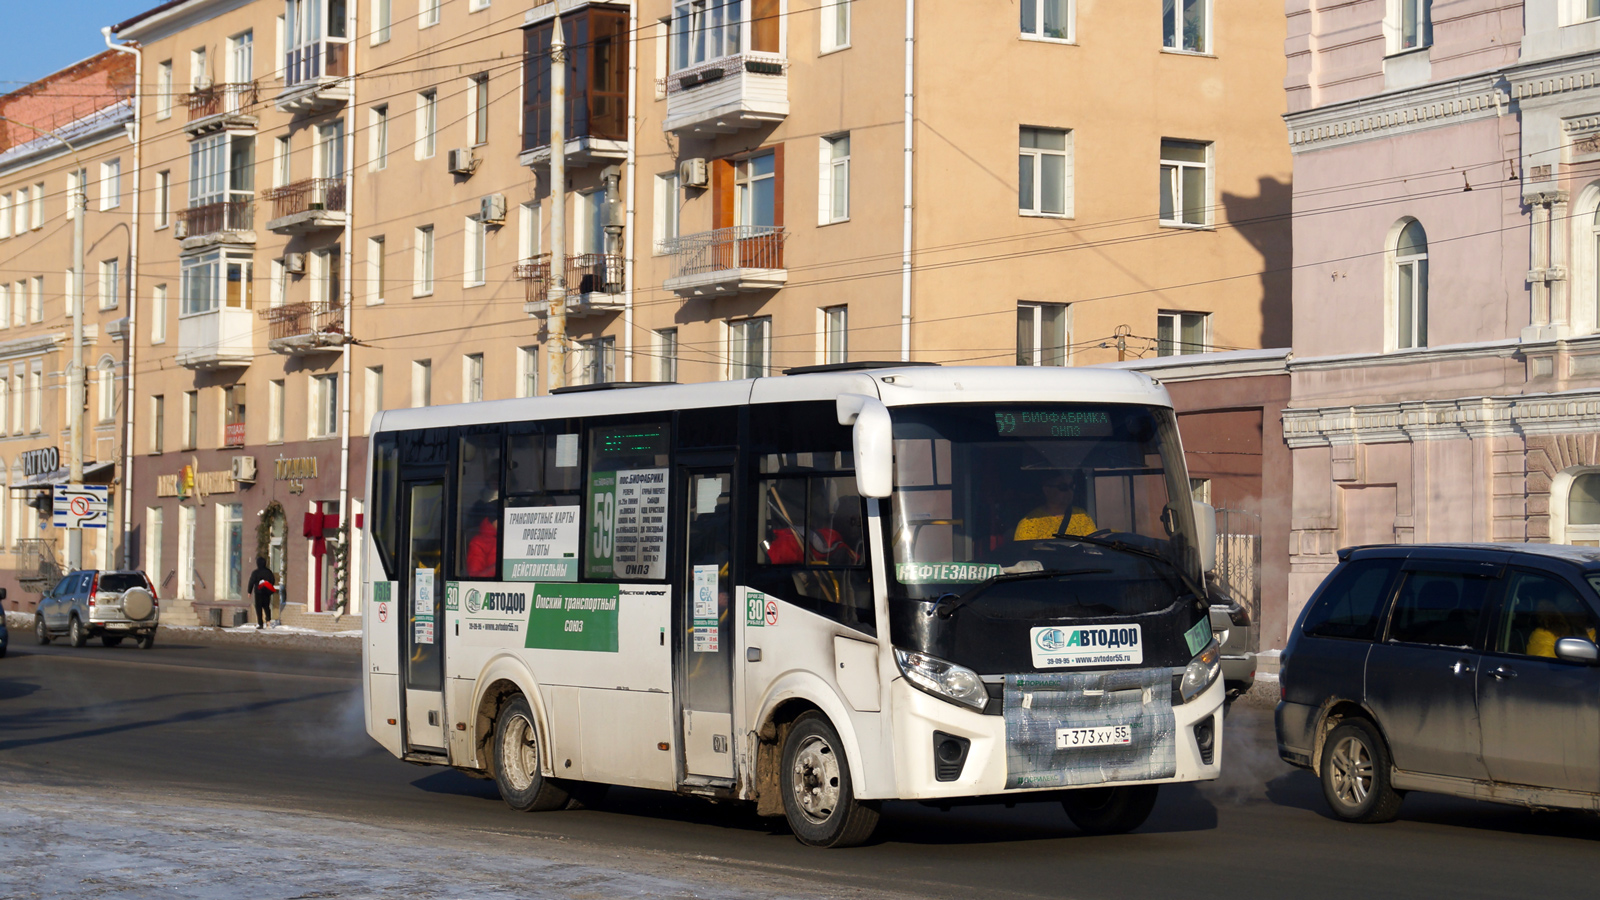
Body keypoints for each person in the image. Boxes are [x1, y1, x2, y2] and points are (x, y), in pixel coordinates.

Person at [1014, 472, 1096, 541]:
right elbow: (1024, 555)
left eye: (1071, 486)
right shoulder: (1029, 523)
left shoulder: (1082, 516)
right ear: (1047, 490)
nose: (1069, 491)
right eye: (1063, 487)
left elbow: (1095, 545)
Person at [247, 557, 277, 629]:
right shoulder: (268, 572)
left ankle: (260, 623)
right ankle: (268, 621)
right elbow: (272, 580)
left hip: (258, 592)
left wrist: (249, 591)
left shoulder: (256, 572)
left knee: (258, 608)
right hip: (266, 592)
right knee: (266, 607)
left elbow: (251, 582)